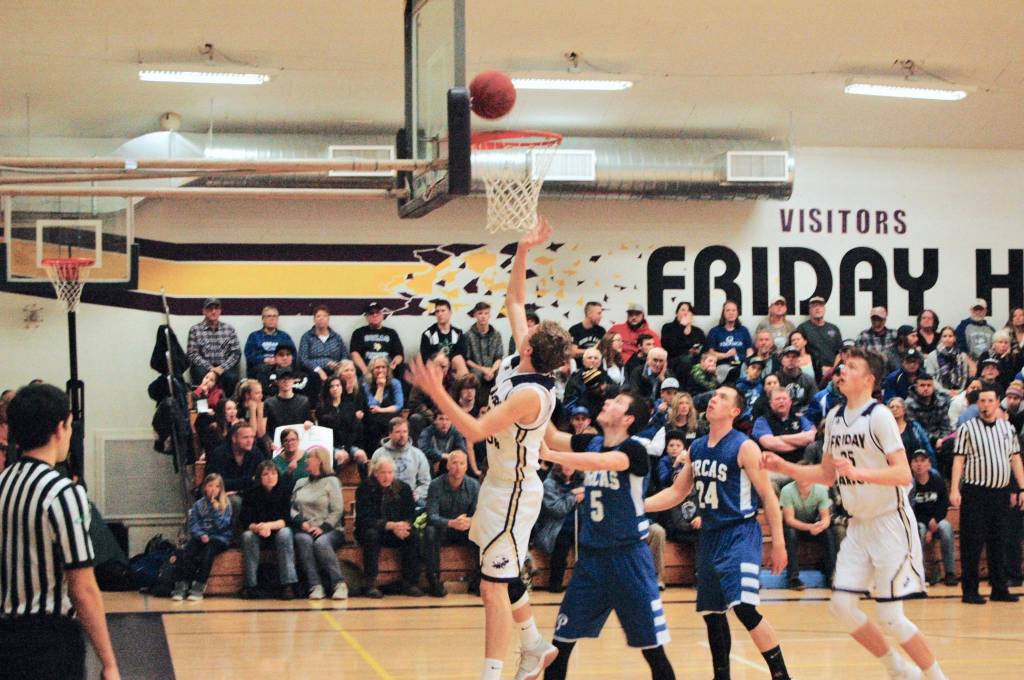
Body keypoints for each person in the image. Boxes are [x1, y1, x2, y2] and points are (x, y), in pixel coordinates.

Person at [406, 218, 571, 680]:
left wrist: (435, 390)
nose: (523, 335)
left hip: (515, 492)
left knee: (492, 588)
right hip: (499, 485)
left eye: (530, 339)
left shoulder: (530, 394)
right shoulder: (524, 355)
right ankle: (536, 644)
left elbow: (475, 430)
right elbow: (515, 298)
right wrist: (522, 251)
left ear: (536, 353)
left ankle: (493, 673)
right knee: (496, 579)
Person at [762, 347, 948, 680]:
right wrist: (783, 465)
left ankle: (936, 676)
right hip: (858, 526)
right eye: (842, 364)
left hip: (891, 522)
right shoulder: (833, 417)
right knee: (841, 607)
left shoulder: (879, 416)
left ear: (869, 379)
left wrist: (860, 473)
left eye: (851, 366)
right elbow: (826, 475)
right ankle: (898, 669)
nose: (842, 370)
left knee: (891, 616)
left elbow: (904, 474)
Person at [646, 385, 791, 680]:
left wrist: (778, 543)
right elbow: (676, 492)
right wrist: (638, 505)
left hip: (739, 533)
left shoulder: (745, 446)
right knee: (713, 613)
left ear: (735, 411)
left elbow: (769, 496)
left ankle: (781, 676)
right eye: (713, 395)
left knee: (745, 609)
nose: (713, 399)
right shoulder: (697, 447)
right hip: (710, 536)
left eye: (722, 397)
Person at [541, 391, 676, 680]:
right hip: (591, 561)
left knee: (653, 651)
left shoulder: (635, 451)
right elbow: (552, 436)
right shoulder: (592, 441)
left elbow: (603, 462)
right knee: (560, 644)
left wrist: (552, 456)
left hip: (628, 559)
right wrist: (536, 393)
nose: (607, 402)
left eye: (616, 403)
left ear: (628, 419)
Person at [0, 384, 120, 680]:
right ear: (60, 428)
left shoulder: (3, 483)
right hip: (49, 641)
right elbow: (83, 586)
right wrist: (109, 661)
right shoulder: (63, 493)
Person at [950, 386, 1024, 604]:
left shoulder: (1007, 428)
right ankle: (970, 590)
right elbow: (959, 460)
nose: (985, 405)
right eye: (981, 401)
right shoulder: (967, 428)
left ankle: (999, 588)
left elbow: (1015, 458)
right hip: (976, 492)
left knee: (998, 541)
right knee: (972, 542)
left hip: (1001, 493)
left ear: (997, 402)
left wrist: (1022, 487)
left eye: (989, 401)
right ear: (976, 404)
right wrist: (954, 488)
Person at [355, 453, 423, 598]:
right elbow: (364, 519)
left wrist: (403, 526)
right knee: (371, 535)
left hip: (396, 530)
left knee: (413, 535)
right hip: (372, 530)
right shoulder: (365, 488)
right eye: (383, 473)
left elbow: (411, 514)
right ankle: (370, 583)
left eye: (390, 472)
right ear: (375, 473)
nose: (386, 476)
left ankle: (410, 582)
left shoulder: (403, 488)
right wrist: (390, 525)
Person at [291, 446, 347, 601]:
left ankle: (339, 583)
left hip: (330, 529)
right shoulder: (301, 482)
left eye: (309, 458)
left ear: (320, 461)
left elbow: (337, 510)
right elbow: (292, 507)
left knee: (321, 543)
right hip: (306, 528)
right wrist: (301, 522)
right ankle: (315, 585)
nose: (306, 461)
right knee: (302, 540)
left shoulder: (332, 481)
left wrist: (323, 528)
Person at [422, 450, 480, 597]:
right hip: (444, 529)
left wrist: (470, 521)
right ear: (447, 466)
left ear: (466, 467)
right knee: (430, 531)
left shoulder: (474, 485)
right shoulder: (435, 485)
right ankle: (434, 579)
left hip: (465, 529)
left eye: (462, 463)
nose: (458, 467)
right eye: (454, 463)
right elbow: (431, 516)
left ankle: (480, 578)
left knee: (483, 531)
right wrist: (451, 523)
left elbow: (478, 514)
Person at [239, 461, 299, 599]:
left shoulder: (284, 491)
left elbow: (286, 520)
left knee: (285, 534)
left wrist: (268, 526)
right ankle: (250, 585)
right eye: (266, 474)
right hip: (258, 533)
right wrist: (257, 528)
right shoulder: (251, 492)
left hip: (278, 531)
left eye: (273, 473)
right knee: (247, 536)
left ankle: (288, 584)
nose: (270, 477)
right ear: (259, 477)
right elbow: (245, 520)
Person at [171, 473, 233, 602]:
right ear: (205, 487)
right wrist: (200, 534)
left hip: (219, 538)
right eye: (210, 486)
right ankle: (183, 584)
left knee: (208, 552)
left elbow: (223, 526)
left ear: (221, 489)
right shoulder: (199, 505)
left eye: (217, 486)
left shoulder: (226, 504)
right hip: (202, 536)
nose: (213, 489)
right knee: (188, 552)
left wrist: (216, 510)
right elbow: (194, 523)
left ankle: (199, 585)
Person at [530, 463, 582, 594]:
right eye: (565, 462)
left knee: (589, 548)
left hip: (579, 525)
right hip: (556, 528)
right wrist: (573, 496)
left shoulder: (581, 483)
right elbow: (557, 509)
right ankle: (555, 584)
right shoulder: (549, 484)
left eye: (571, 463)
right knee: (561, 548)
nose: (569, 466)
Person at [908, 451, 957, 587]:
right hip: (920, 521)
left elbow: (944, 503)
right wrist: (928, 524)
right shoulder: (909, 484)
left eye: (923, 461)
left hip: (936, 519)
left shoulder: (937, 480)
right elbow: (911, 509)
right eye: (916, 461)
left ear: (929, 464)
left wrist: (935, 519)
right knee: (920, 531)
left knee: (946, 528)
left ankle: (950, 573)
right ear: (911, 465)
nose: (919, 464)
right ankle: (920, 573)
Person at [752, 388, 816, 492]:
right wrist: (800, 439)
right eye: (777, 399)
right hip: (774, 471)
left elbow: (811, 437)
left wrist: (781, 438)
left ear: (790, 402)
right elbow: (769, 443)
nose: (781, 401)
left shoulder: (800, 418)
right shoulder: (762, 421)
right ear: (771, 403)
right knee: (767, 483)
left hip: (800, 466)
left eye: (784, 398)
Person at [779, 479, 836, 590]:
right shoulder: (787, 490)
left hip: (814, 525)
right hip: (795, 527)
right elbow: (789, 520)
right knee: (789, 533)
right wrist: (809, 527)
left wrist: (820, 526)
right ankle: (793, 578)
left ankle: (831, 576)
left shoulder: (821, 490)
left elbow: (826, 519)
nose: (803, 478)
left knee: (828, 533)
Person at [371, 417, 432, 508]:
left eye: (405, 431)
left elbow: (426, 481)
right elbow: (372, 480)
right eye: (398, 432)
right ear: (390, 434)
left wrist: (417, 494)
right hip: (384, 498)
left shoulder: (418, 454)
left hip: (412, 498)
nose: (402, 435)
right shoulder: (379, 454)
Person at [316, 368, 369, 472]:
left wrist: (347, 447)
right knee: (341, 456)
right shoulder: (322, 408)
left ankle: (367, 483)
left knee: (361, 454)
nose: (335, 388)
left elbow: (354, 429)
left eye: (338, 385)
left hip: (349, 444)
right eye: (331, 386)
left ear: (342, 387)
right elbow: (324, 431)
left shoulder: (349, 406)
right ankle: (333, 480)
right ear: (328, 389)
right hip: (332, 445)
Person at [206, 422, 263, 518]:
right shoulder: (219, 454)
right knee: (235, 501)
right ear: (234, 439)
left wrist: (239, 490)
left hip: (248, 494)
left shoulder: (256, 453)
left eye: (252, 437)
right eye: (245, 438)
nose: (250, 441)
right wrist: (248, 481)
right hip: (220, 496)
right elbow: (217, 482)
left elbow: (260, 480)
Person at [187, 297, 241, 396]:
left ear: (220, 311)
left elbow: (236, 353)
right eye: (210, 309)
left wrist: (222, 368)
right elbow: (192, 354)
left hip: (224, 368)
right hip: (204, 368)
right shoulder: (195, 330)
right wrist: (210, 368)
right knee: (199, 373)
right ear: (204, 311)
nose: (213, 311)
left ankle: (226, 405)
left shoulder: (229, 329)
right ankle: (201, 403)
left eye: (216, 308)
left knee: (232, 377)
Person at [299, 304, 350, 389]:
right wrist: (318, 369)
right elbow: (303, 360)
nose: (321, 318)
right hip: (314, 372)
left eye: (324, 316)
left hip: (335, 371)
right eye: (318, 316)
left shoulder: (337, 338)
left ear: (329, 318)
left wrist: (338, 365)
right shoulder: (307, 337)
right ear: (314, 319)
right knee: (314, 377)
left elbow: (345, 356)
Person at [349, 301, 404, 378]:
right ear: (366, 317)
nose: (375, 315)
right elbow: (354, 354)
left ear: (382, 315)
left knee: (403, 369)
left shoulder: (391, 333)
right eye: (371, 313)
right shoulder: (359, 332)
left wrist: (392, 366)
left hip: (387, 371)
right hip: (367, 370)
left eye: (377, 312)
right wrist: (365, 370)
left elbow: (399, 355)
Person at [362, 356, 406, 450]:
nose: (381, 370)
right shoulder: (366, 385)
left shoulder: (395, 383)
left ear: (387, 369)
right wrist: (380, 387)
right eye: (377, 368)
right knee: (373, 421)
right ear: (372, 370)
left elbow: (399, 405)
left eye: (383, 367)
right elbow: (372, 406)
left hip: (391, 415)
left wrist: (381, 410)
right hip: (373, 418)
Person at [465, 301, 505, 400]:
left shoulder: (496, 335)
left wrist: (492, 370)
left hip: (493, 369)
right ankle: (476, 405)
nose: (483, 316)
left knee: (503, 372)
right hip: (476, 370)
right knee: (474, 375)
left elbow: (499, 357)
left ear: (489, 315)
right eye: (480, 313)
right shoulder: (468, 335)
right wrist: (483, 370)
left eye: (486, 313)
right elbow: (467, 359)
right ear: (475, 315)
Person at [420, 298, 469, 377]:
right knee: (439, 358)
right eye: (437, 311)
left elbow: (462, 353)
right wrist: (441, 361)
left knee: (459, 359)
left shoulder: (458, 333)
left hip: (453, 366)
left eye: (443, 311)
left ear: (450, 313)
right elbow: (425, 357)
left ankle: (466, 387)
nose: (440, 314)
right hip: (435, 367)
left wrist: (447, 362)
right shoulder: (428, 334)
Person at [244, 305, 294, 377]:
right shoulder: (254, 336)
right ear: (263, 319)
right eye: (268, 316)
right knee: (264, 370)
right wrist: (264, 359)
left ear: (277, 319)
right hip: (260, 366)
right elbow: (249, 356)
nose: (272, 319)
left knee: (286, 370)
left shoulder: (284, 337)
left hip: (281, 366)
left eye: (274, 316)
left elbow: (293, 355)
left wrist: (280, 360)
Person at [564, 347, 613, 418]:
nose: (592, 360)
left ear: (600, 362)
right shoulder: (575, 378)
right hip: (581, 416)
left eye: (596, 358)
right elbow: (568, 403)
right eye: (589, 358)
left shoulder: (606, 377)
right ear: (583, 361)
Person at [887, 398, 936, 467]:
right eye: (892, 407)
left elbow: (926, 446)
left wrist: (932, 466)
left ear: (904, 410)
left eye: (897, 407)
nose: (894, 409)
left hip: (915, 465)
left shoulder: (914, 427)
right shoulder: (885, 429)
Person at [904, 374, 951, 448]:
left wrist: (943, 440)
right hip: (920, 440)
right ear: (916, 387)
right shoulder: (909, 404)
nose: (926, 388)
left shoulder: (941, 401)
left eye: (929, 385)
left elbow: (946, 425)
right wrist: (935, 441)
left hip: (941, 439)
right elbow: (915, 429)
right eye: (922, 385)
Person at [660, 301, 706, 376]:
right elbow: (668, 347)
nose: (686, 313)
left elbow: (704, 349)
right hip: (674, 361)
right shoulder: (667, 328)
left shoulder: (698, 332)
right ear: (676, 313)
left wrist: (697, 351)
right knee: (686, 360)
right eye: (683, 310)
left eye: (689, 311)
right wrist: (682, 326)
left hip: (695, 361)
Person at [263, 368, 313, 436]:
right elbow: (264, 428)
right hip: (276, 441)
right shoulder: (269, 403)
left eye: (289, 378)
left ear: (293, 381)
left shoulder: (303, 401)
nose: (286, 381)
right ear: (277, 381)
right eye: (282, 379)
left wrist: (309, 424)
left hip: (298, 439)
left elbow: (309, 422)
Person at [798, 295, 844, 368]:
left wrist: (833, 370)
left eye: (820, 306)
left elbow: (840, 353)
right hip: (812, 370)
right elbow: (799, 351)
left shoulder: (834, 328)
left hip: (832, 370)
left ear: (824, 309)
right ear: (809, 310)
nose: (817, 308)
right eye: (814, 306)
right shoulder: (803, 328)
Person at [924, 326, 972, 394]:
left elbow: (964, 376)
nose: (947, 338)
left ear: (955, 338)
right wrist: (946, 392)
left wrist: (959, 391)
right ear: (940, 339)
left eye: (950, 336)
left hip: (959, 392)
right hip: (938, 392)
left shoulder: (962, 356)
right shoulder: (932, 356)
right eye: (944, 336)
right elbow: (930, 377)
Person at [706, 300, 753, 365]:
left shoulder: (744, 331)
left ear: (737, 313)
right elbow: (710, 354)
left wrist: (746, 364)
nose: (731, 313)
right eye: (728, 310)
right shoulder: (715, 331)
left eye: (734, 310)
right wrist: (726, 355)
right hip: (722, 366)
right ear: (723, 313)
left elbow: (749, 352)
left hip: (742, 365)